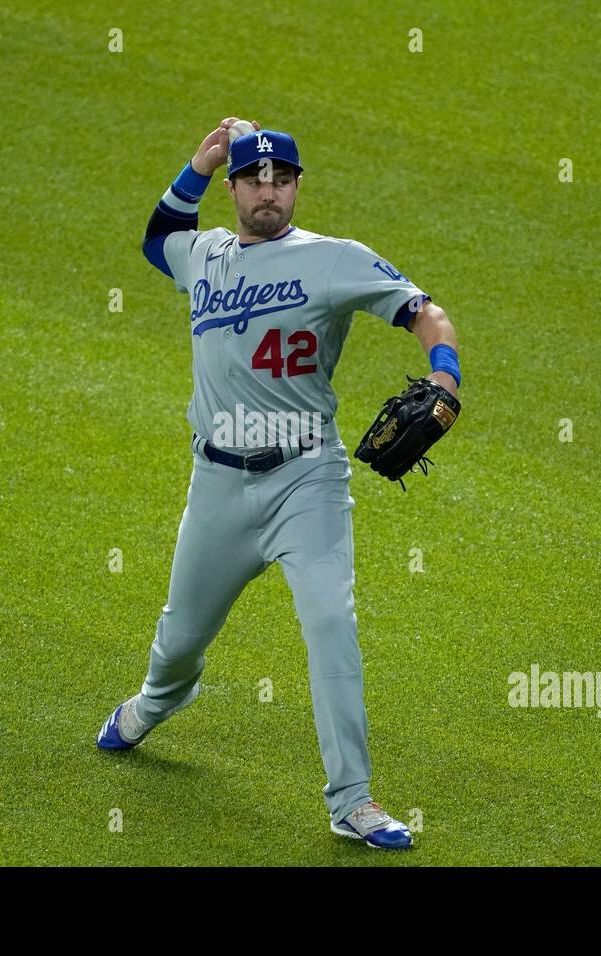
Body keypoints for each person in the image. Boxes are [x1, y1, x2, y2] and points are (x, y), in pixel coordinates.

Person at [97, 117, 462, 850]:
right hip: (218, 485)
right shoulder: (204, 256)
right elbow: (155, 238)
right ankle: (155, 703)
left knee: (332, 625)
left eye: (282, 179)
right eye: (253, 179)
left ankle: (352, 800)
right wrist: (195, 162)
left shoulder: (333, 259)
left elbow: (425, 312)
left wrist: (445, 374)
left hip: (306, 480)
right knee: (179, 641)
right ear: (234, 187)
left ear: (296, 186)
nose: (269, 191)